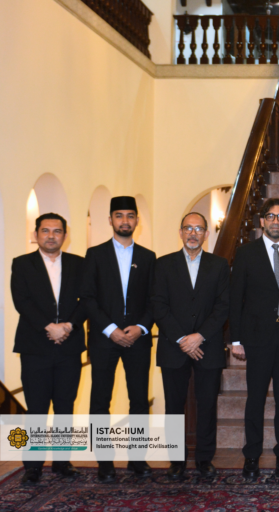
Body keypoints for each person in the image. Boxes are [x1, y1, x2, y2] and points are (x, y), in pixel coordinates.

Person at [229, 198, 279, 480]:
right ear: (262, 221)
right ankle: (251, 456)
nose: (276, 221)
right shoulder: (245, 253)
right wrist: (235, 339)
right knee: (255, 400)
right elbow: (235, 298)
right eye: (271, 216)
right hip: (256, 339)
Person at [81, 196, 156, 483]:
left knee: (139, 400)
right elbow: (88, 298)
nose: (125, 221)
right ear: (110, 220)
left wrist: (141, 327)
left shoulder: (148, 257)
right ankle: (104, 460)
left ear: (137, 220)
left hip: (138, 339)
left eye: (130, 215)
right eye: (119, 215)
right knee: (101, 400)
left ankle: (137, 457)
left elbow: (155, 299)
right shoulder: (95, 254)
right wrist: (110, 328)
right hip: (104, 339)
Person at [152, 212, 230, 481]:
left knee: (207, 404)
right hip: (173, 347)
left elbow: (223, 306)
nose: (193, 233)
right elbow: (158, 306)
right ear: (180, 232)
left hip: (208, 345)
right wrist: (182, 339)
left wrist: (200, 336)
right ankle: (176, 461)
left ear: (206, 234)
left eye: (198, 229)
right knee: (174, 406)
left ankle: (204, 459)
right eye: (188, 228)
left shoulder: (219, 265)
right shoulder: (163, 264)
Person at [11, 213, 86, 484]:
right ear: (36, 234)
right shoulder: (22, 264)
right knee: (36, 408)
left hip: (69, 346)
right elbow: (22, 301)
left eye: (57, 231)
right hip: (35, 347)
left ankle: (62, 462)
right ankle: (32, 466)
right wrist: (49, 327)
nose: (51, 236)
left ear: (65, 235)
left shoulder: (79, 264)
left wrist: (68, 326)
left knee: (65, 406)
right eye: (45, 231)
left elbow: (87, 300)